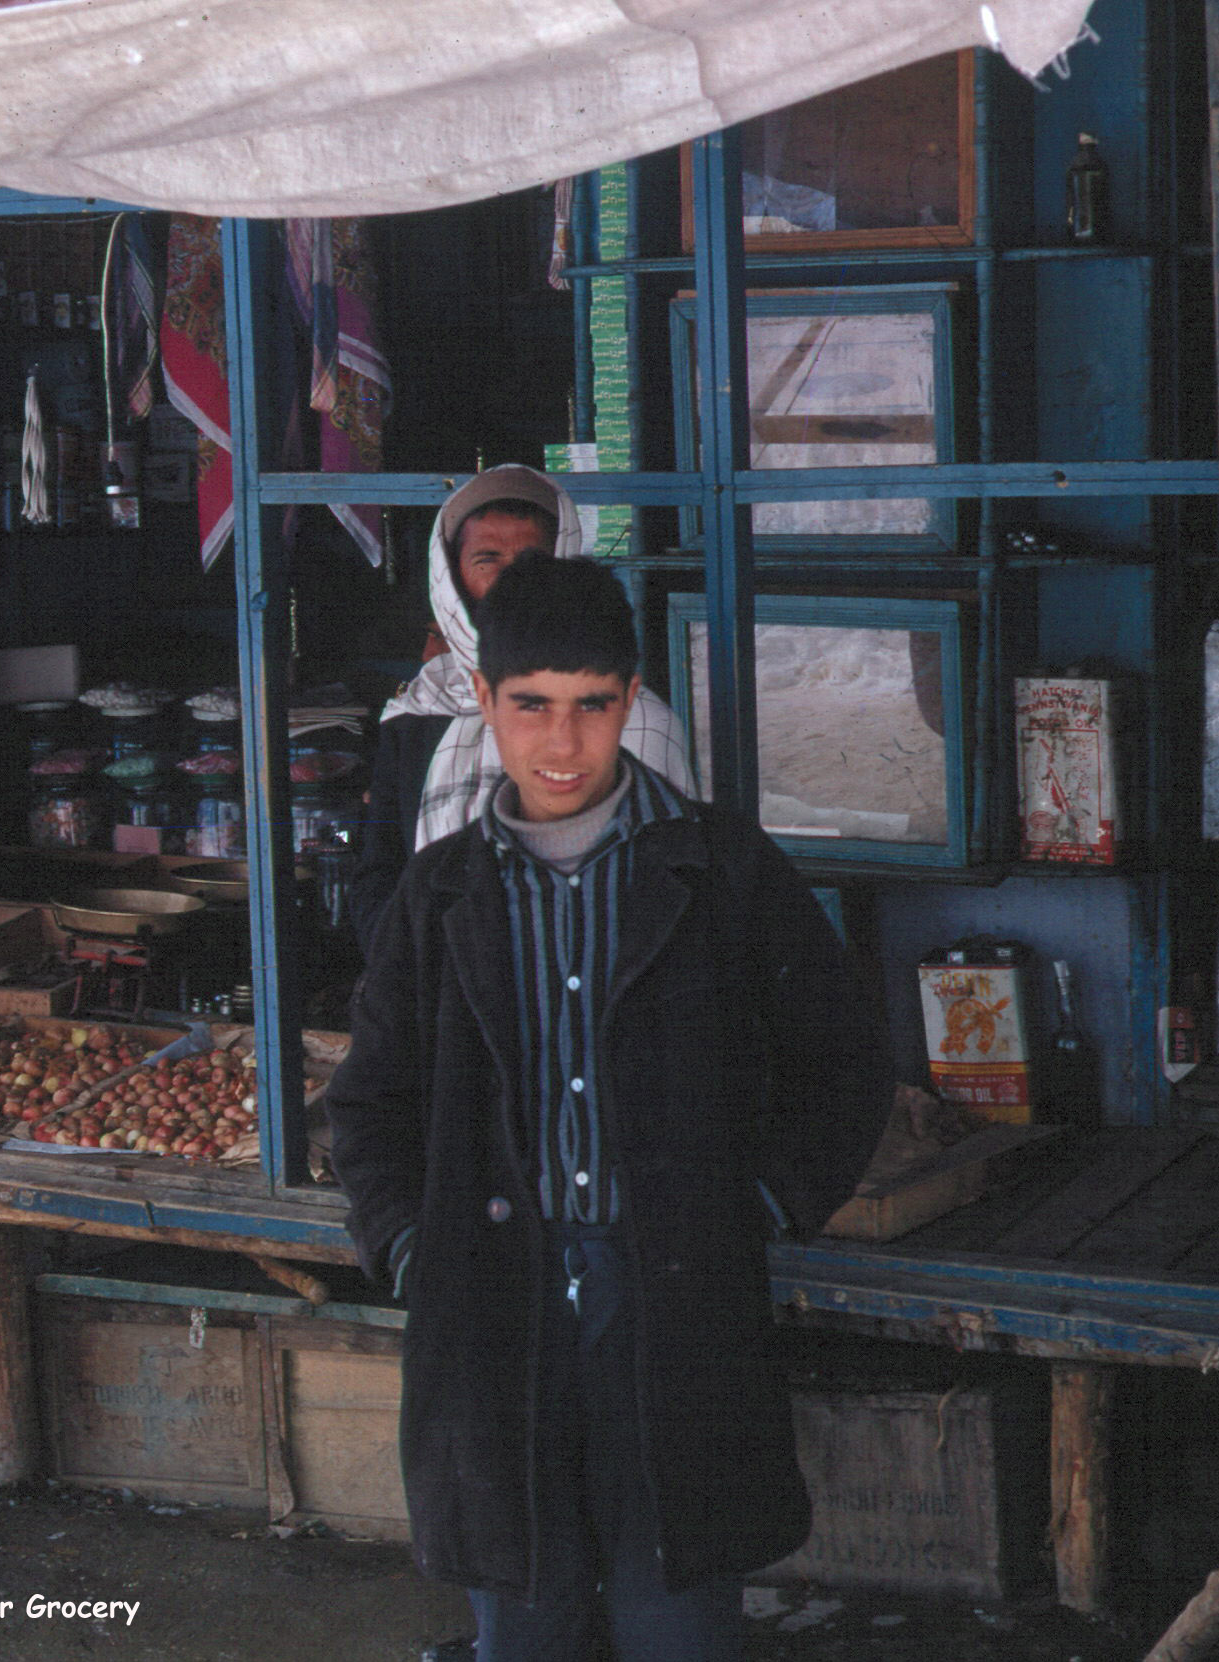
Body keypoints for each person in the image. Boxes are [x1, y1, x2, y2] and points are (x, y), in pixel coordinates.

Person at [326, 554, 890, 1662]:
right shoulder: (439, 894)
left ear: (632, 699)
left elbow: (843, 1061)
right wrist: (411, 1245)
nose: (562, 740)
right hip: (494, 1308)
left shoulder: (723, 871)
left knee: (676, 1617)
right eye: (530, 704)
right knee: (525, 1622)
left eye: (591, 704)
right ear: (483, 702)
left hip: (675, 1299)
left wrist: (759, 1204)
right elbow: (369, 1105)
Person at [351, 465, 695, 949]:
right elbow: (379, 876)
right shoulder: (419, 713)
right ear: (451, 576)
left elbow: (662, 908)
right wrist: (421, 967)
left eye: (531, 559)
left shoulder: (637, 721)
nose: (508, 578)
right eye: (486, 559)